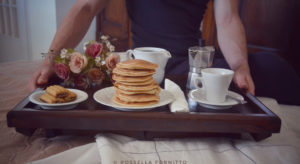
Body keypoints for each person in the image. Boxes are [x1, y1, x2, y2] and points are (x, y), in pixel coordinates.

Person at [28, 0, 255, 96]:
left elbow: (228, 19)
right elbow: (86, 7)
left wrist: (240, 66)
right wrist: (49, 61)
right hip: (141, 68)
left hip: (189, 67)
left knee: (272, 68)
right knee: (63, 79)